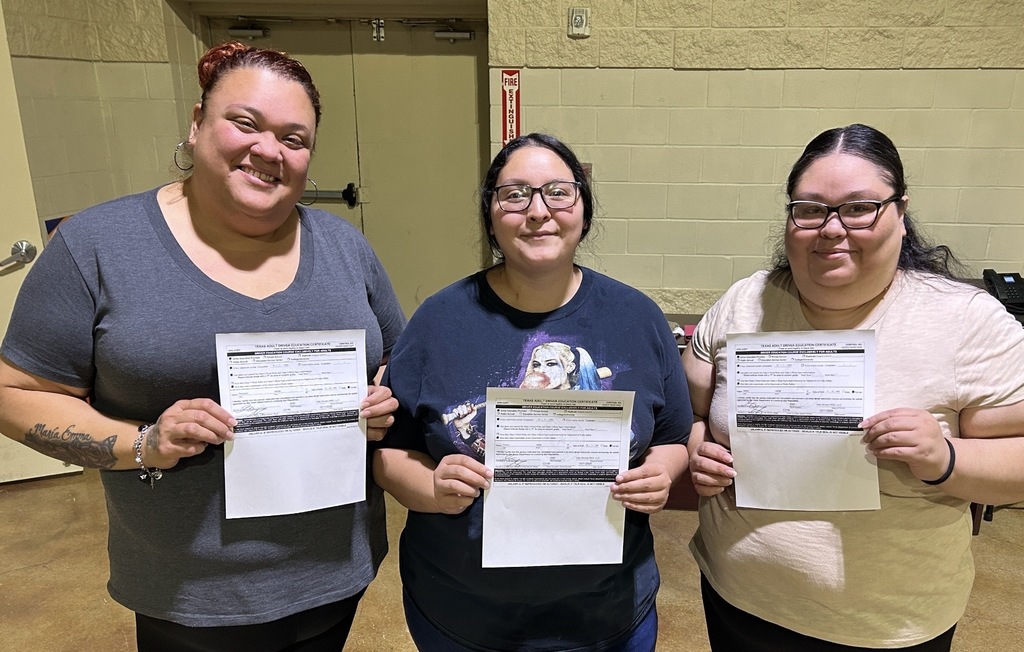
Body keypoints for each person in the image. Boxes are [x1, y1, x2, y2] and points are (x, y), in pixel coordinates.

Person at [0, 42, 406, 650]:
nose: (268, 149)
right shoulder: (98, 246)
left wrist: (381, 403)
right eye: (245, 123)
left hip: (332, 572)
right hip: (189, 590)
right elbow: (14, 392)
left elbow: (394, 363)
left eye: (294, 139)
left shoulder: (345, 248)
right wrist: (141, 443)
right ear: (196, 125)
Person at [684, 123, 1024, 651]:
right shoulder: (745, 302)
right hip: (739, 599)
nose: (832, 228)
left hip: (884, 626)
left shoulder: (964, 321)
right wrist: (698, 450)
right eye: (811, 209)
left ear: (901, 213)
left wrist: (945, 458)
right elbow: (696, 413)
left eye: (860, 207)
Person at [373, 132, 692, 651]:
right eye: (515, 194)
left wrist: (662, 473)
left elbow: (675, 438)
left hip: (606, 612)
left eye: (559, 192)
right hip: (463, 613)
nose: (538, 211)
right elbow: (389, 454)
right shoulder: (438, 320)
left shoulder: (637, 318)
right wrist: (430, 488)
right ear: (492, 215)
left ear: (584, 210)